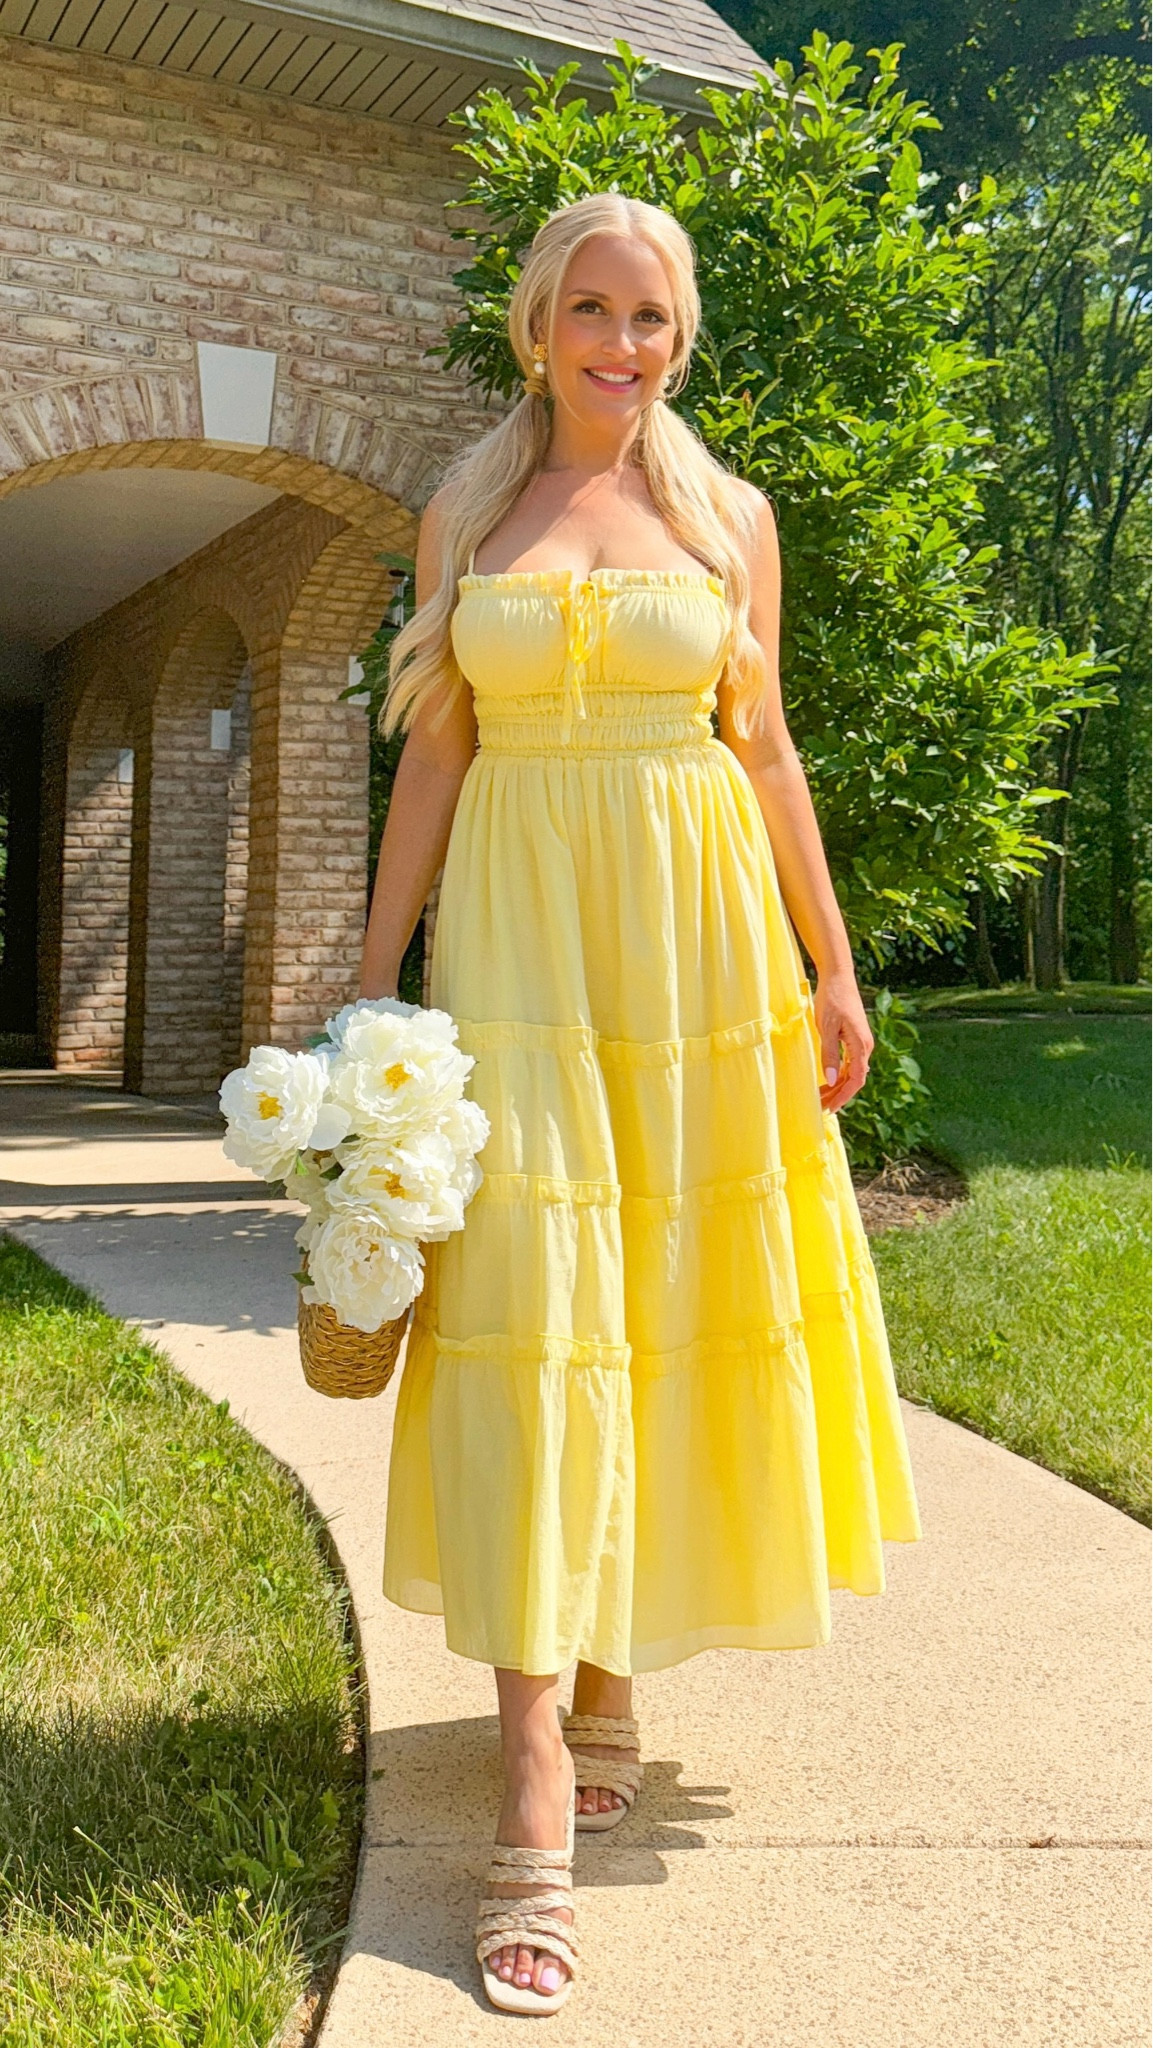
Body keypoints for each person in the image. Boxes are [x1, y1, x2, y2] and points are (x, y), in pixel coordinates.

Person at [358, 190, 922, 2016]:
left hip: (698, 960)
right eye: (589, 310)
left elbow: (764, 747)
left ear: (681, 338)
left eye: (650, 317)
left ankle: (604, 1672)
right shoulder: (464, 511)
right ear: (535, 325)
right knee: (533, 1305)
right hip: (518, 951)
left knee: (658, 1306)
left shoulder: (726, 515)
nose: (619, 344)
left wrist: (831, 966)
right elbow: (437, 749)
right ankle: (531, 1774)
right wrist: (370, 986)